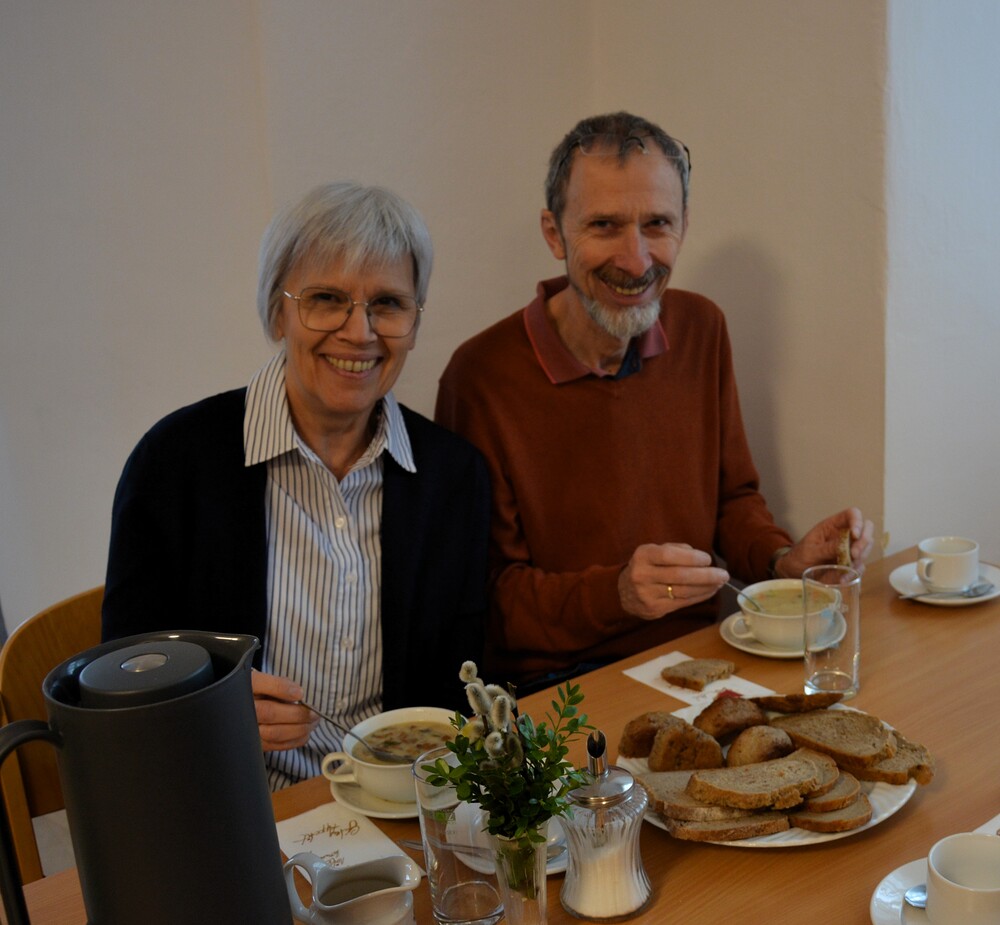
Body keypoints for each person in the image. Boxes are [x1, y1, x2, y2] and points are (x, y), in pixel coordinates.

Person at [435, 111, 874, 691]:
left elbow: (733, 501)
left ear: (684, 226)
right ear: (554, 233)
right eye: (604, 225)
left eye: (657, 224)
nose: (637, 260)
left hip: (701, 658)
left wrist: (782, 562)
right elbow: (485, 603)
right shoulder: (480, 377)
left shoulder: (702, 327)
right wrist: (617, 593)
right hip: (558, 687)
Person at [103, 182, 490, 788]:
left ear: (414, 322)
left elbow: (459, 688)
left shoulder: (455, 478)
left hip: (404, 804)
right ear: (277, 309)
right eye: (326, 299)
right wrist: (208, 709)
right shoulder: (172, 464)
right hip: (234, 799)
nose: (359, 332)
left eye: (388, 303)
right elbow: (122, 681)